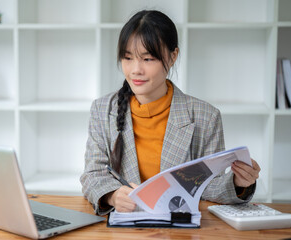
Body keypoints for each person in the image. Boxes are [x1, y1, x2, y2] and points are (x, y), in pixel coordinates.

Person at [80, 10, 260, 215]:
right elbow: (92, 175)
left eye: (147, 59)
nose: (135, 70)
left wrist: (239, 183)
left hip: (179, 229)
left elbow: (209, 186)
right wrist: (112, 195)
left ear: (173, 56)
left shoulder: (205, 116)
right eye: (127, 58)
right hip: (123, 227)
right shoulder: (102, 110)